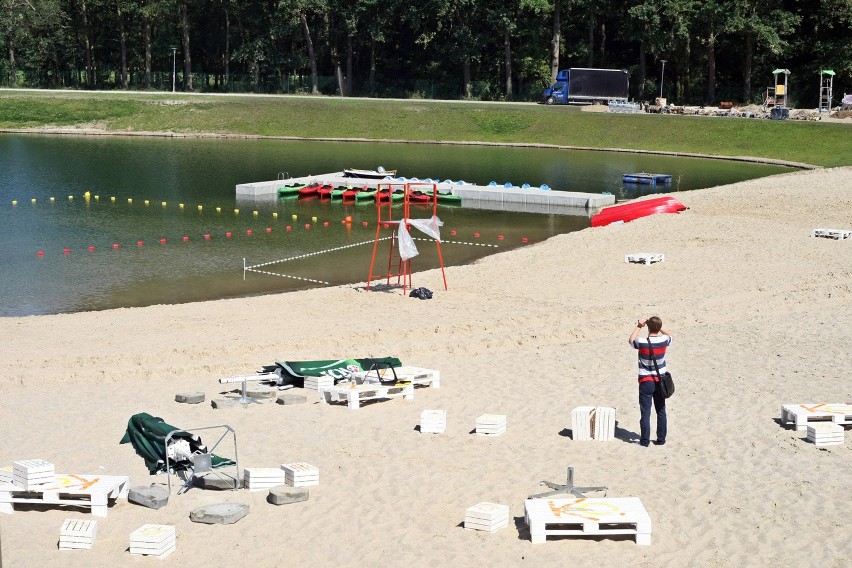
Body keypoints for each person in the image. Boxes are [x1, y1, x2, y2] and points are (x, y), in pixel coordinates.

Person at [628, 316, 672, 447]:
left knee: (645, 413)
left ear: (648, 327)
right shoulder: (664, 340)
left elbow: (631, 340)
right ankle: (661, 439)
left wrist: (639, 326)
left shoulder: (642, 342)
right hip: (660, 381)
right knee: (661, 410)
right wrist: (659, 327)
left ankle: (645, 441)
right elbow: (670, 335)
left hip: (646, 381)